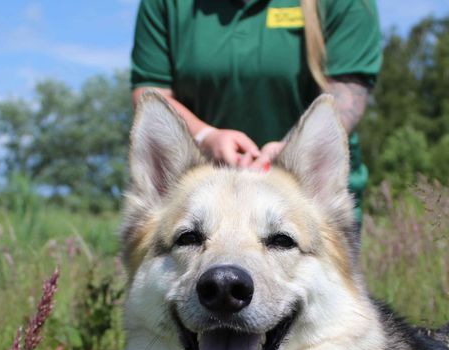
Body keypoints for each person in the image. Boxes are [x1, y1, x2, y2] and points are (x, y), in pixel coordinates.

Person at [130, 0, 381, 224]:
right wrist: (206, 137)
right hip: (198, 202)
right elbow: (151, 92)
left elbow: (346, 94)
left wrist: (290, 152)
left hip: (310, 200)